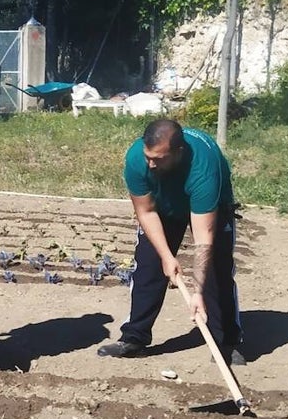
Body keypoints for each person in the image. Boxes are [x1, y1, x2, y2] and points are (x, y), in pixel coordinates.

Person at [96, 118, 244, 363]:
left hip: (211, 207)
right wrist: (166, 257)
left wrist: (197, 293)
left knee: (217, 272)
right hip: (163, 207)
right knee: (148, 267)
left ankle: (226, 342)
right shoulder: (136, 159)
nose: (151, 164)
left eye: (159, 159)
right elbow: (145, 212)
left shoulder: (203, 168)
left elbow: (203, 239)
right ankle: (134, 337)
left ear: (179, 152)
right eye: (148, 156)